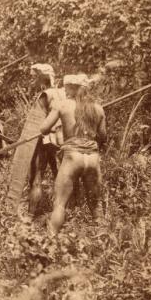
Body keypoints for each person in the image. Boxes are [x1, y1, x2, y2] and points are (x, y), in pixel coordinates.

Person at [39, 74, 107, 236]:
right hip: (92, 158)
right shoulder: (98, 108)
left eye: (65, 86)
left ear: (70, 87)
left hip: (72, 157)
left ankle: (50, 242)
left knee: (60, 204)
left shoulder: (62, 105)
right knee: (96, 206)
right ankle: (105, 242)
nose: (64, 89)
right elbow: (102, 137)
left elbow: (43, 129)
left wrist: (59, 126)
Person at [28, 63, 67, 214]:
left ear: (41, 78)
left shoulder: (44, 95)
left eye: (34, 77)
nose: (32, 80)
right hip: (62, 140)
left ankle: (31, 215)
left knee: (37, 177)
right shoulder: (63, 93)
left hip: (46, 140)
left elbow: (37, 123)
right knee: (62, 176)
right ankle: (67, 212)